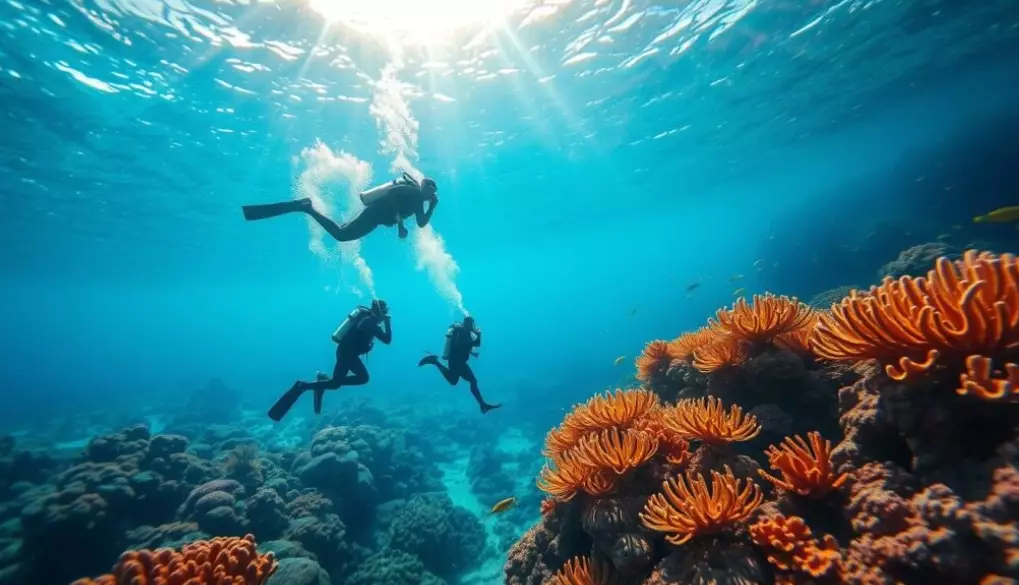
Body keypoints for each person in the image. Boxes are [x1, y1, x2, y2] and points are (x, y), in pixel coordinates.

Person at [268, 299, 392, 421]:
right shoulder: (369, 321)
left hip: (349, 353)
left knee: (351, 380)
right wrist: (387, 323)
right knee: (341, 383)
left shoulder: (368, 319)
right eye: (385, 311)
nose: (386, 314)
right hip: (347, 354)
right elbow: (387, 340)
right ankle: (302, 386)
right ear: (380, 311)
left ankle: (322, 382)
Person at [242, 172, 439, 242]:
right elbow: (389, 195)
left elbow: (421, 223)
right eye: (431, 187)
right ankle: (306, 207)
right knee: (341, 235)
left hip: (377, 219)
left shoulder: (418, 202)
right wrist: (398, 220)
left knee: (342, 232)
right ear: (424, 185)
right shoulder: (412, 191)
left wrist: (432, 207)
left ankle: (306, 207)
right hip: (374, 214)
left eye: (434, 191)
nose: (433, 192)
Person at [418, 316, 501, 414]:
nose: (471, 326)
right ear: (465, 324)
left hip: (461, 363)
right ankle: (434, 361)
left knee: (468, 381)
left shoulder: (468, 333)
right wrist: (476, 337)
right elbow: (462, 344)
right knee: (457, 381)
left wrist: (479, 334)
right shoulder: (460, 332)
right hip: (455, 362)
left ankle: (483, 404)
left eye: (472, 324)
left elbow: (477, 344)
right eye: (469, 324)